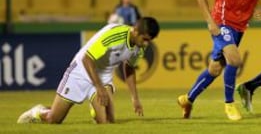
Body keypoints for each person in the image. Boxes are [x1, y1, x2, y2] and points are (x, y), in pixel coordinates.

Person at [17, 17, 160, 124]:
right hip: (81, 71)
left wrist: (135, 98)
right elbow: (87, 59)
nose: (146, 43)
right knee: (53, 119)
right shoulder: (114, 36)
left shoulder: (140, 47)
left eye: (149, 40)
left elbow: (129, 68)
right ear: (135, 31)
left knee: (107, 122)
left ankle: (96, 109)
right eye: (145, 39)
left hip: (103, 77)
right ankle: (38, 112)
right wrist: (100, 88)